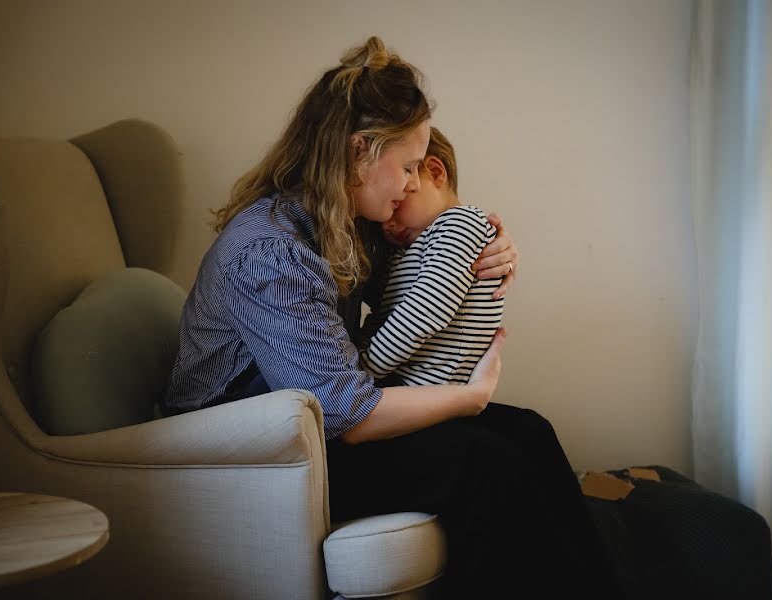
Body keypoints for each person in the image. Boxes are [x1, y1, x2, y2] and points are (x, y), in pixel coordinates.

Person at [164, 36, 618, 598]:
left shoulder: (342, 226)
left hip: (309, 427)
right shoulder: (271, 248)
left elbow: (422, 278)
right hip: (254, 456)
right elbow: (344, 413)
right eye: (405, 166)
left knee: (529, 429)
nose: (410, 183)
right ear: (359, 153)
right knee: (485, 461)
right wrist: (465, 398)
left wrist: (490, 255)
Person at [359, 126, 505, 386]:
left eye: (396, 204)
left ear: (436, 173)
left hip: (433, 391)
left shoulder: (462, 223)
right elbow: (383, 316)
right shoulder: (410, 249)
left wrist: (363, 368)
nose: (385, 223)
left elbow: (426, 310)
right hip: (399, 385)